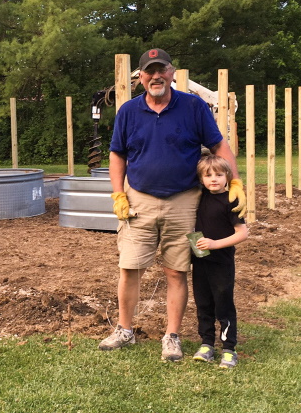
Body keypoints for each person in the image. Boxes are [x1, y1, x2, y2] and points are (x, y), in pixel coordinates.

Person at [98, 48, 244, 361]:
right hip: (140, 200)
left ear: (172, 72)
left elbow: (218, 145)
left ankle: (172, 336)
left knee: (176, 271)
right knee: (129, 268)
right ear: (140, 78)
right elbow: (117, 154)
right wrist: (118, 194)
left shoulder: (192, 107)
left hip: (184, 202)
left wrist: (234, 182)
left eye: (161, 70)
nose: (156, 76)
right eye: (149, 72)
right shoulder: (128, 112)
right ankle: (125, 330)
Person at [189, 154, 249, 369]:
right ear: (201, 179)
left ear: (228, 177)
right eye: (208, 175)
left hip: (222, 262)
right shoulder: (198, 197)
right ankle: (206, 344)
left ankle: (228, 348)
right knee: (203, 303)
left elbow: (242, 233)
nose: (213, 179)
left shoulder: (231, 200)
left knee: (223, 304)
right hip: (200, 261)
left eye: (219, 174)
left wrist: (215, 244)